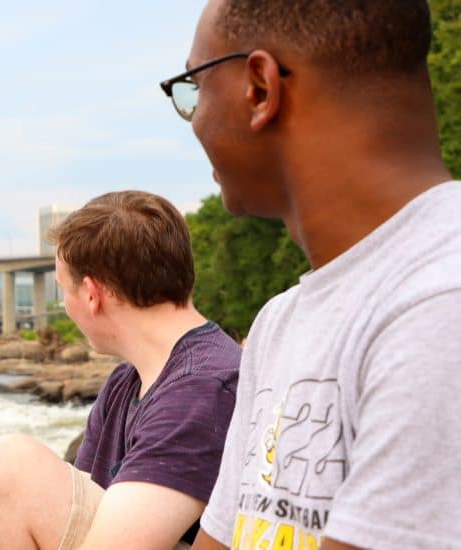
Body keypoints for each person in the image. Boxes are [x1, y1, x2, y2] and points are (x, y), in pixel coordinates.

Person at [160, 2, 461, 549]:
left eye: (194, 88)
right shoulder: (279, 323)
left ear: (259, 88)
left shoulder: (441, 303)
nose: (195, 118)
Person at [0, 191, 242, 550]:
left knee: (5, 467)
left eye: (63, 290)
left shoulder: (202, 389)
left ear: (92, 294)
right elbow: (87, 493)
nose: (64, 306)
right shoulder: (126, 381)